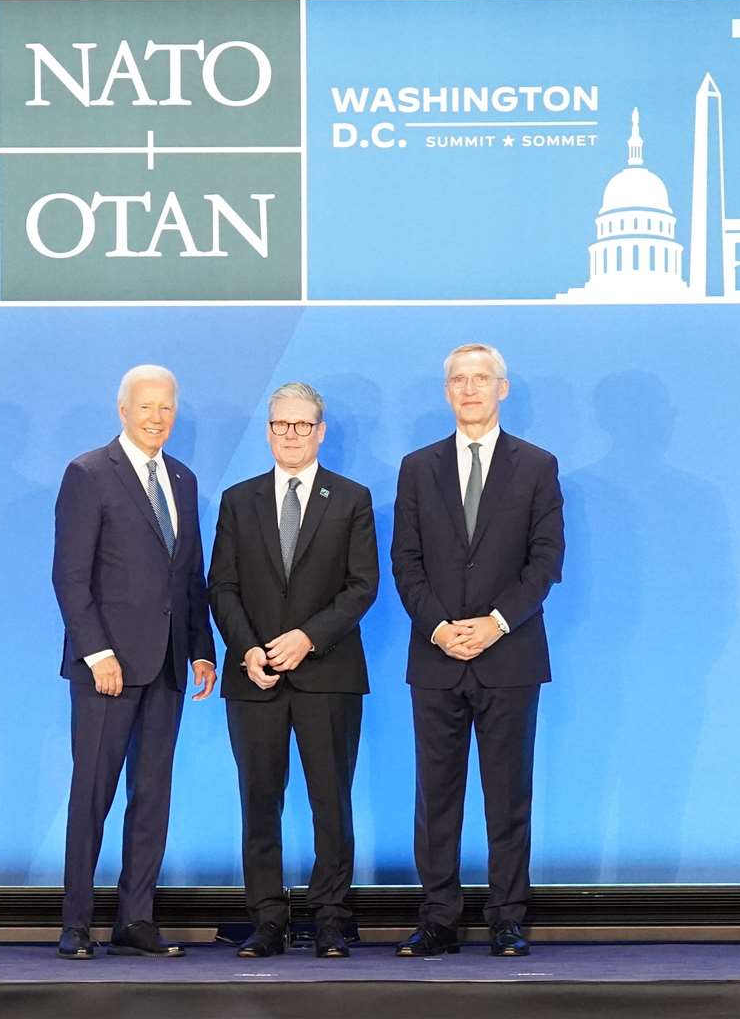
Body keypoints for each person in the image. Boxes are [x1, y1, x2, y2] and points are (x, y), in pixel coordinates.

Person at [390, 343, 565, 958]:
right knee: (435, 796)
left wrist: (495, 623)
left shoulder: (538, 466)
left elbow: (546, 563)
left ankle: (507, 918)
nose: (470, 389)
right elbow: (404, 561)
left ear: (503, 389)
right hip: (435, 657)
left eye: (481, 379)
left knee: (508, 793)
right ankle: (437, 917)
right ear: (447, 392)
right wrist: (439, 627)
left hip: (509, 656)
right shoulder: (417, 467)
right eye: (459, 380)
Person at [51, 364, 217, 959]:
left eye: (167, 408)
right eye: (146, 407)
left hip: (170, 667)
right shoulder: (89, 473)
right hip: (107, 669)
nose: (157, 418)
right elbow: (70, 576)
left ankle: (135, 919)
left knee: (152, 796)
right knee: (92, 794)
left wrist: (202, 647)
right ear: (122, 409)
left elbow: (189, 573)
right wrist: (98, 653)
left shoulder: (184, 478)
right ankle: (75, 924)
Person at [209, 383, 379, 959]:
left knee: (330, 801)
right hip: (253, 678)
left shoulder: (352, 498)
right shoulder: (238, 499)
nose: (291, 435)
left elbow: (362, 587)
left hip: (328, 676)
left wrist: (308, 638)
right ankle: (267, 920)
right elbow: (222, 586)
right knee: (259, 801)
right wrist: (247, 649)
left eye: (302, 426)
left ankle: (330, 917)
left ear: (321, 431)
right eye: (281, 425)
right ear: (268, 430)